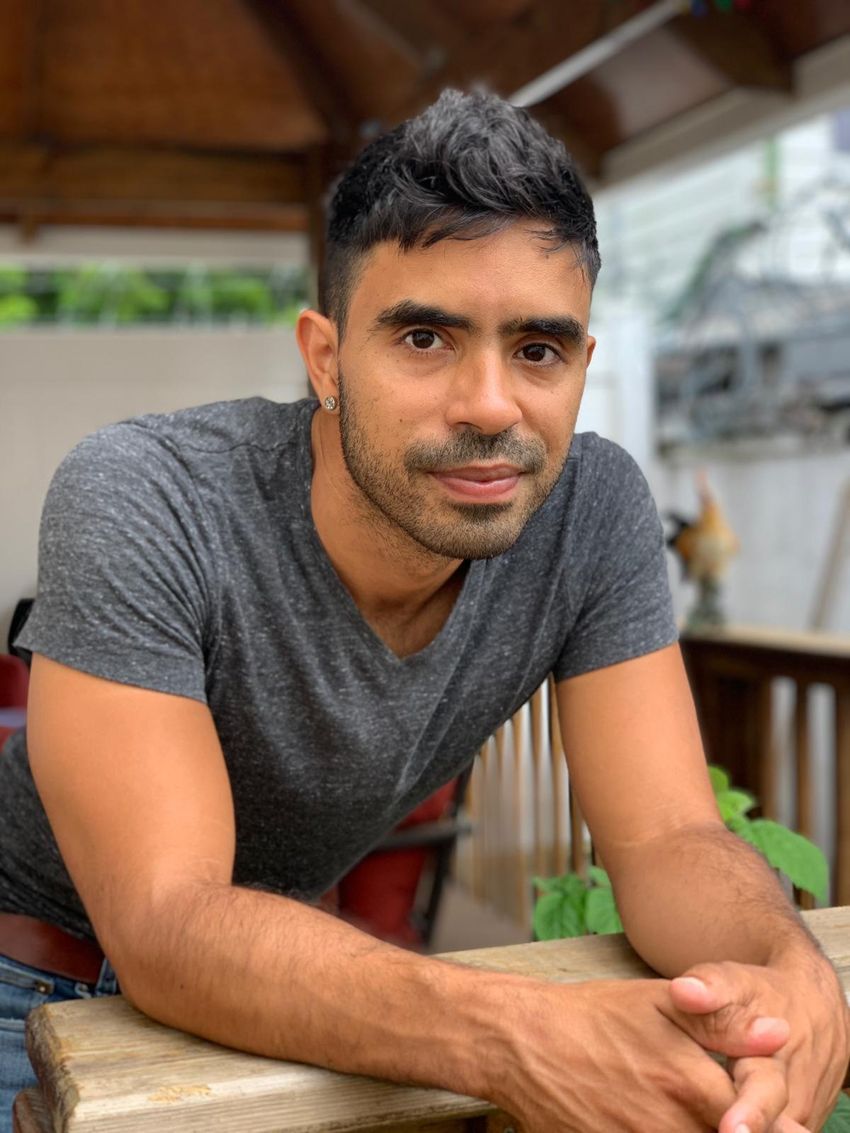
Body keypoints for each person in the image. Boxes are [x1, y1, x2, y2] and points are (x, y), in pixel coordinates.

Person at [0, 89, 847, 1133]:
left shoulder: (591, 507)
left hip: (269, 989)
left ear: (582, 366)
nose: (490, 403)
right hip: (32, 987)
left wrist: (784, 970)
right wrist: (520, 1031)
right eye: (424, 340)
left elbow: (668, 832)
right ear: (325, 357)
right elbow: (169, 919)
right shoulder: (147, 494)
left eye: (537, 349)